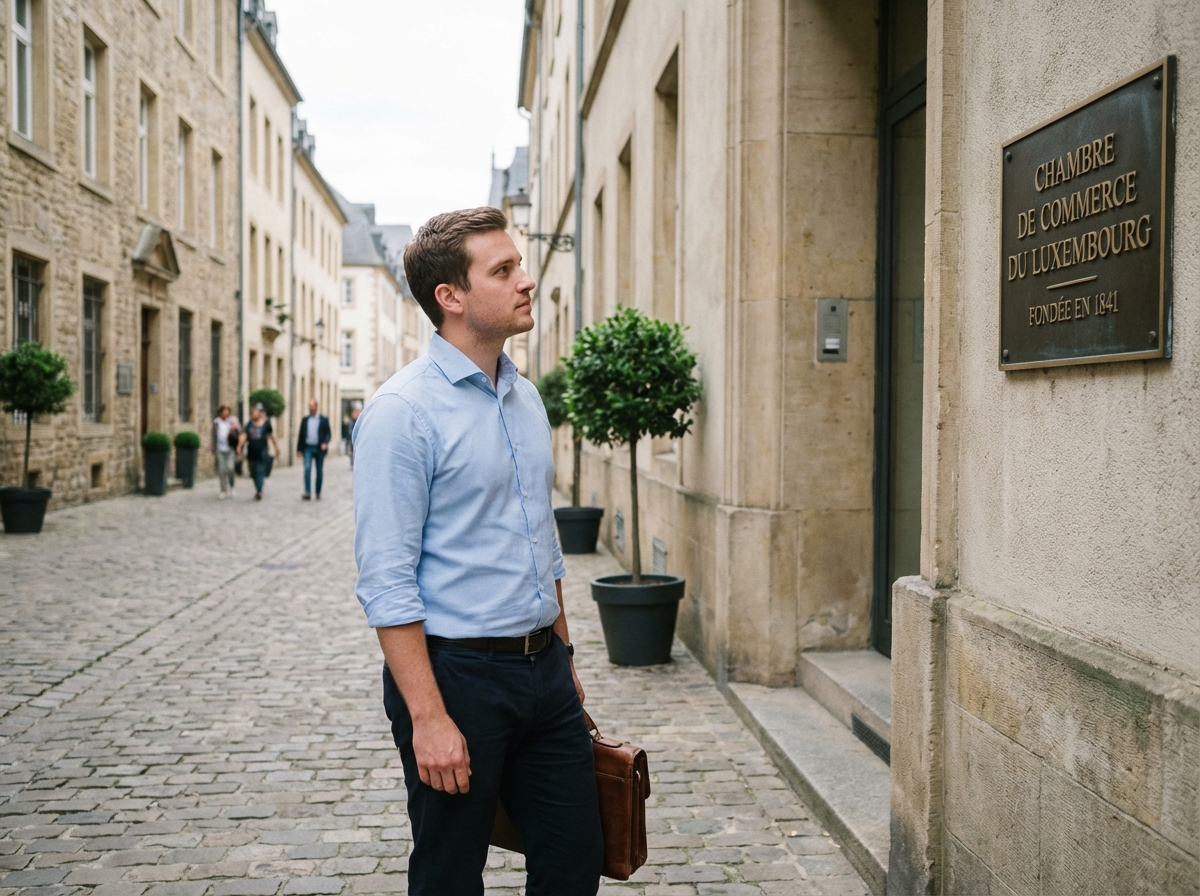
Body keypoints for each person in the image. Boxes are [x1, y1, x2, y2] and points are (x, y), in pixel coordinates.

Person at [353, 207, 603, 896]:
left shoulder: (524, 398)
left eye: (520, 264)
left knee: (574, 861)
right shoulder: (402, 414)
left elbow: (540, 542)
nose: (526, 280)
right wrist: (429, 719)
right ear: (451, 297)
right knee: (450, 873)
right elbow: (386, 579)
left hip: (544, 674)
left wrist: (565, 659)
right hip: (457, 678)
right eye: (504, 270)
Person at [237, 403, 278, 501]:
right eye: (253, 413)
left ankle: (259, 491)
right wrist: (239, 446)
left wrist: (277, 448)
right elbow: (244, 436)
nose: (254, 415)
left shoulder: (266, 424)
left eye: (256, 413)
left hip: (262, 452)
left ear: (259, 414)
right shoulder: (249, 425)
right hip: (251, 452)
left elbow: (271, 437)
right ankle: (257, 488)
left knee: (260, 471)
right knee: (253, 472)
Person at [296, 398, 331, 500]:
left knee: (319, 470)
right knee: (307, 468)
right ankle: (307, 491)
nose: (310, 408)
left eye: (312, 406)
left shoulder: (323, 419)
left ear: (316, 406)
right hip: (308, 448)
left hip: (319, 448)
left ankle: (318, 492)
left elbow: (328, 434)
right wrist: (299, 450)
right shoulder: (305, 420)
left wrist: (325, 443)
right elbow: (301, 435)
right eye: (309, 406)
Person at [212, 405, 239, 499]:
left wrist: (235, 428)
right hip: (220, 449)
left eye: (227, 412)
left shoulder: (232, 421)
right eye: (224, 412)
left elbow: (239, 432)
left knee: (230, 468)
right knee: (222, 470)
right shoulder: (216, 422)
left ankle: (232, 486)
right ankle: (223, 489)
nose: (225, 414)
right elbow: (213, 435)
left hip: (230, 449)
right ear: (220, 413)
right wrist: (212, 446)